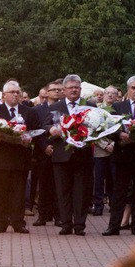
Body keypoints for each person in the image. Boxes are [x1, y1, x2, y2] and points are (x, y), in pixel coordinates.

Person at [103, 75, 135, 236]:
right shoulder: (118, 107)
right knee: (119, 192)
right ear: (128, 89)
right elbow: (108, 128)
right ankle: (113, 226)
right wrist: (119, 136)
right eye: (133, 88)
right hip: (122, 156)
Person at [0, 80, 40, 234]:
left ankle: (18, 222)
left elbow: (36, 131)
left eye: (18, 92)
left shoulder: (29, 111)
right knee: (0, 191)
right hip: (1, 157)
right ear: (4, 95)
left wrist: (30, 140)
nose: (16, 95)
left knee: (19, 191)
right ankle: (1, 221)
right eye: (12, 92)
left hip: (20, 157)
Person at [46, 74, 94, 236]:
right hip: (61, 155)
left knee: (81, 192)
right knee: (63, 191)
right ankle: (66, 223)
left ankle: (79, 225)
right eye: (71, 87)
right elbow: (45, 125)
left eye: (77, 87)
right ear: (64, 90)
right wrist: (51, 130)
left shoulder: (90, 106)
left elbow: (97, 126)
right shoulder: (55, 107)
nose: (74, 90)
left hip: (83, 155)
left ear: (80, 89)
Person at [32, 80, 64, 227]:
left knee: (60, 185)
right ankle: (43, 215)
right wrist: (45, 147)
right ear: (47, 92)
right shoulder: (38, 110)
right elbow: (36, 130)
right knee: (43, 185)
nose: (56, 92)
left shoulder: (65, 108)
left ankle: (59, 216)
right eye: (53, 90)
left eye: (59, 89)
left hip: (61, 151)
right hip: (43, 152)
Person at [91, 86, 118, 216]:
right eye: (107, 93)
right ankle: (98, 205)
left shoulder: (119, 109)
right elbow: (92, 131)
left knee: (113, 178)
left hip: (115, 149)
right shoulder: (97, 110)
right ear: (103, 94)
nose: (110, 95)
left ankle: (114, 204)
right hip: (100, 150)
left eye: (113, 93)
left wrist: (113, 143)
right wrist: (104, 144)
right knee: (99, 179)